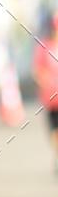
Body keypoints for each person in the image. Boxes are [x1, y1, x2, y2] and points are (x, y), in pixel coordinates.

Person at [33, 11, 58, 174]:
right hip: (51, 98)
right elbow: (38, 71)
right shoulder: (44, 47)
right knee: (54, 130)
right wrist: (45, 83)